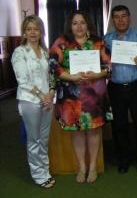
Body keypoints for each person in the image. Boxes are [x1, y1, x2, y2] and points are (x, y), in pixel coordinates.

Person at [49, 10, 112, 183]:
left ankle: (92, 167)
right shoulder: (61, 42)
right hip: (70, 98)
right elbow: (53, 65)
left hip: (94, 97)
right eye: (75, 23)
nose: (79, 26)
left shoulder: (98, 42)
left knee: (93, 131)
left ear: (88, 24)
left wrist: (96, 75)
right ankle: (81, 166)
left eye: (82, 22)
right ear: (70, 25)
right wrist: (71, 77)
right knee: (76, 133)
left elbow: (109, 66)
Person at [103, 5, 137, 174]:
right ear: (113, 20)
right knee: (119, 125)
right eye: (116, 17)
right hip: (115, 87)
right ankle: (123, 159)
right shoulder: (106, 39)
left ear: (129, 18)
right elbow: (103, 63)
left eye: (124, 16)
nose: (120, 20)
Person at [11, 15, 56, 188]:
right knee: (34, 139)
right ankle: (38, 175)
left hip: (47, 100)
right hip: (30, 100)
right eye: (29, 29)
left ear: (41, 31)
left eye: (36, 29)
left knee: (44, 139)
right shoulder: (19, 52)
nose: (32, 32)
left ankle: (45, 170)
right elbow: (23, 79)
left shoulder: (45, 52)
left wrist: (51, 92)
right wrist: (42, 95)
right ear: (24, 31)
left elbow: (52, 75)